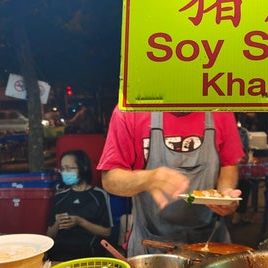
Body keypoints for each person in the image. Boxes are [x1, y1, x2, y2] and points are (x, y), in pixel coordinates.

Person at [97, 106, 245, 256]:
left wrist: (224, 194)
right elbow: (110, 180)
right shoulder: (132, 107)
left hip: (210, 242)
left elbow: (229, 163)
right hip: (151, 244)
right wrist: (147, 179)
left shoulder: (220, 108)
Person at [47, 150, 114, 261]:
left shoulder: (100, 195)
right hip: (59, 258)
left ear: (84, 167)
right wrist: (57, 222)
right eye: (63, 169)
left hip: (89, 257)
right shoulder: (59, 197)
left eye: (69, 168)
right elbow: (49, 237)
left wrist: (80, 221)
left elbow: (107, 232)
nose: (65, 172)